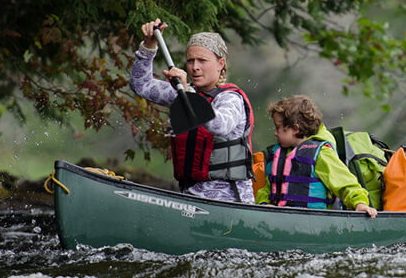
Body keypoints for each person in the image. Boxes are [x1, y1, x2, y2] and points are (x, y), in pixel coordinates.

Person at [130, 19, 254, 202]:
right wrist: (148, 48)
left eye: (202, 61)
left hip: (229, 202)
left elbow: (219, 125)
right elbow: (141, 85)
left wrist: (186, 91)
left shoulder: (230, 99)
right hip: (191, 198)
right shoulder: (184, 94)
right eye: (190, 61)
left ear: (220, 64)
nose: (195, 67)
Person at [256, 95, 377, 218]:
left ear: (295, 129)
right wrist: (264, 203)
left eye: (279, 128)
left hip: (314, 222)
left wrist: (359, 202)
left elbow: (344, 182)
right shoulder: (280, 154)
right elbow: (268, 187)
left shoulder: (321, 153)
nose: (275, 133)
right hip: (280, 220)